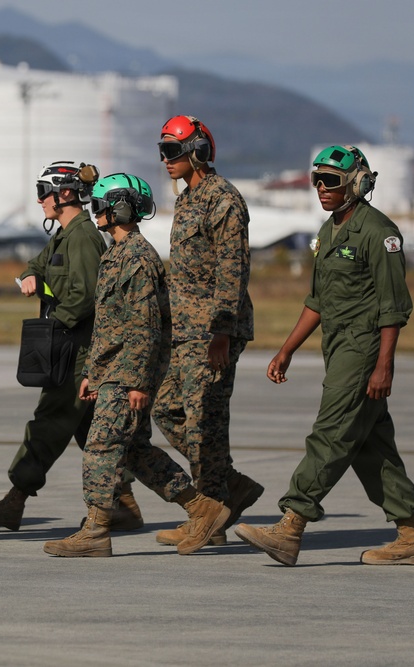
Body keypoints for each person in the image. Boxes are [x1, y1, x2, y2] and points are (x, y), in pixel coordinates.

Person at [235, 145, 414, 566]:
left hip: (363, 352)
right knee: (370, 446)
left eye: (331, 181)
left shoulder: (379, 233)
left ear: (357, 184)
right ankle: (412, 536)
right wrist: (287, 349)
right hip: (337, 347)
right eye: (317, 181)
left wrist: (383, 366)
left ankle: (291, 526)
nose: (322, 189)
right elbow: (318, 301)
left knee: (331, 434)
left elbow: (393, 309)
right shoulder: (328, 232)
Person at [0, 161, 146, 533]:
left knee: (48, 423)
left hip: (75, 352)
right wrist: (33, 274)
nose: (40, 201)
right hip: (73, 349)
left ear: (63, 193)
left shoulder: (82, 237)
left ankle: (15, 501)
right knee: (89, 433)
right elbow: (38, 263)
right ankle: (125, 504)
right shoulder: (65, 234)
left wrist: (53, 325)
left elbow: (85, 297)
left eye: (42, 192)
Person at [42, 174, 204, 558]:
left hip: (128, 375)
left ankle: (96, 530)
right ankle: (205, 509)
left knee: (100, 446)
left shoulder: (137, 258)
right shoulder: (114, 254)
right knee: (134, 453)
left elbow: (145, 328)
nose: (94, 210)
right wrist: (93, 375)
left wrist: (138, 383)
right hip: (112, 373)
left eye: (101, 204)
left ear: (122, 209)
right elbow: (109, 325)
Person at [151, 115, 264, 553]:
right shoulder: (187, 200)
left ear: (198, 152)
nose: (165, 161)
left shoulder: (224, 200)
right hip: (183, 331)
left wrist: (221, 330)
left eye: (173, 151)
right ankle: (227, 487)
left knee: (206, 424)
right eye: (162, 152)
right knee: (166, 409)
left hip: (213, 332)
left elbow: (233, 269)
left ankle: (210, 513)